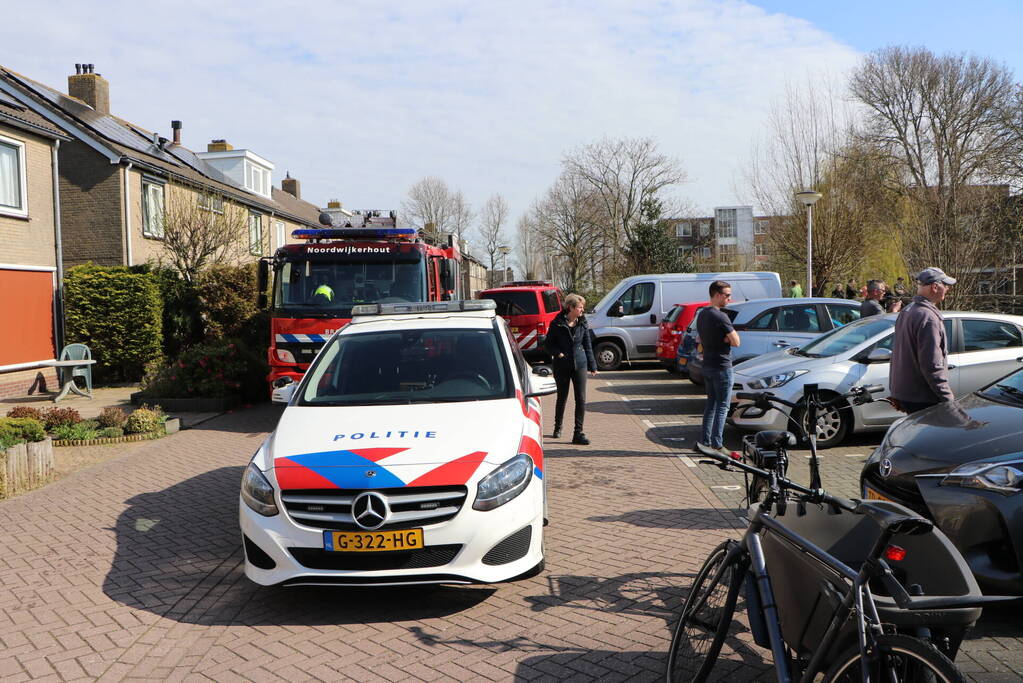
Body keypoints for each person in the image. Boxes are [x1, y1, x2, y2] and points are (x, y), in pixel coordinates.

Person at [889, 267, 956, 414]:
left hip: (908, 396)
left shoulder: (907, 311)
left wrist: (896, 392)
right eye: (945, 285)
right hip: (924, 399)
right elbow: (932, 365)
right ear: (935, 287)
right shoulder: (928, 318)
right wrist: (949, 400)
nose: (948, 289)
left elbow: (897, 355)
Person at [545, 293, 598, 445]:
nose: (582, 310)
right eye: (580, 307)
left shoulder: (583, 323)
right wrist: (558, 353)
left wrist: (592, 365)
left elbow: (587, 344)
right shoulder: (557, 323)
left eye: (582, 307)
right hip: (562, 365)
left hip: (579, 364)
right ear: (571, 307)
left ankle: (578, 433)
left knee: (581, 399)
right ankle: (558, 427)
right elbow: (548, 344)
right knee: (562, 397)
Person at [696, 280, 740, 455]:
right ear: (717, 295)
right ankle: (717, 444)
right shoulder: (721, 316)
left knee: (711, 405)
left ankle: (705, 442)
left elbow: (702, 339)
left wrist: (723, 338)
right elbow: (737, 341)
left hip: (707, 365)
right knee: (723, 406)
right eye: (727, 295)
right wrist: (726, 338)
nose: (730, 298)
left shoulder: (702, 314)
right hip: (722, 366)